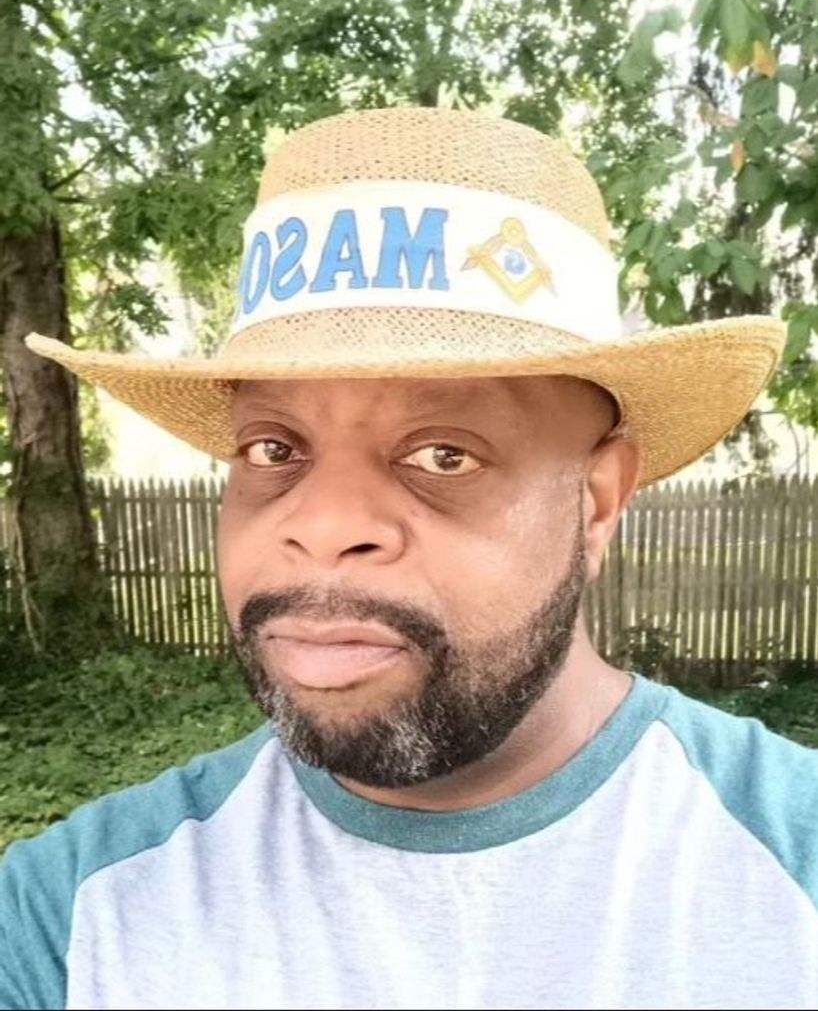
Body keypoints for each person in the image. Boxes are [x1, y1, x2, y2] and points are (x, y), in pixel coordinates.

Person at [3, 106, 815, 1011]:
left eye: (444, 454)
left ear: (595, 503)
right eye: (273, 448)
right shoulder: (66, 924)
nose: (325, 526)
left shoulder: (793, 866)